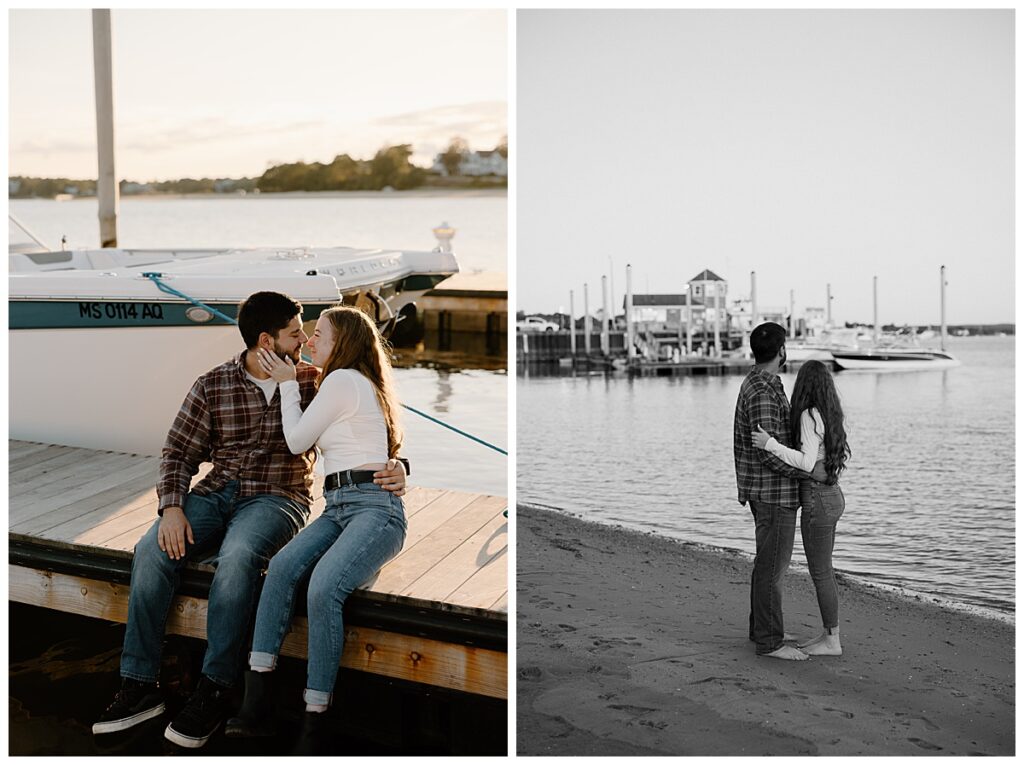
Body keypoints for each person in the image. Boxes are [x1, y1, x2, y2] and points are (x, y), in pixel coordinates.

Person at [92, 291, 407, 749]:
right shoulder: (213, 384)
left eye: (309, 333)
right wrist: (172, 507)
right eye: (296, 333)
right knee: (151, 550)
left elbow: (368, 425)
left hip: (277, 498)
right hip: (215, 493)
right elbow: (177, 452)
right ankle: (140, 686)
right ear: (266, 340)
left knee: (238, 558)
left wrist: (399, 465)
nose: (304, 341)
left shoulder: (313, 380)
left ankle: (216, 688)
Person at [225, 305, 407, 754]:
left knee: (324, 588)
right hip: (338, 505)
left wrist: (288, 386)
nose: (309, 341)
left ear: (341, 342)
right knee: (283, 567)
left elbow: (297, 441)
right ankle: (257, 701)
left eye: (319, 334)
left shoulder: (343, 380)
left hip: (374, 511)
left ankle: (314, 722)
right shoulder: (344, 382)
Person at [733, 322, 820, 661]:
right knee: (773, 568)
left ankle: (764, 629)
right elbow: (767, 452)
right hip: (773, 493)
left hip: (770, 491)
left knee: (767, 564)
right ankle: (769, 641)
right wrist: (807, 471)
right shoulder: (762, 391)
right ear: (782, 351)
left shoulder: (765, 384)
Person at [751, 358, 850, 656]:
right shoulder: (830, 413)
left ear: (803, 384)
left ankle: (832, 640)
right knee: (825, 571)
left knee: (821, 573)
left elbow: (807, 462)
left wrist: (770, 443)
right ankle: (827, 635)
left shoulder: (808, 414)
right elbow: (822, 461)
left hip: (818, 499)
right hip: (833, 496)